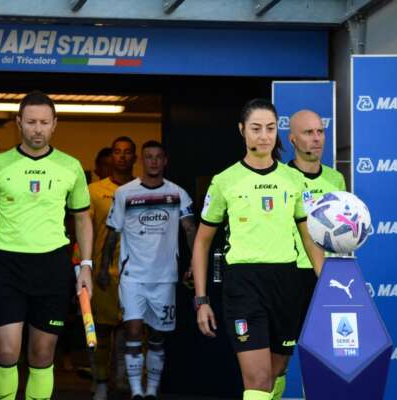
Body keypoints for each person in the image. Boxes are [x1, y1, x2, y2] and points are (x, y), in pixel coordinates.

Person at [0, 90, 93, 400]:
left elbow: (83, 219)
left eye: (44, 122)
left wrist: (86, 266)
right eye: (31, 122)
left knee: (42, 354)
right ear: (18, 122)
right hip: (6, 267)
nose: (38, 129)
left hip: (52, 268)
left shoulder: (71, 166)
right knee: (7, 351)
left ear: (55, 125)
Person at [192, 99, 324, 400]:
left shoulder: (293, 180)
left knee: (276, 374)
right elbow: (202, 241)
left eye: (270, 128)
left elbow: (309, 238)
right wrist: (201, 300)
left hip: (286, 284)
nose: (264, 136)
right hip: (243, 286)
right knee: (258, 380)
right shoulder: (225, 181)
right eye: (256, 129)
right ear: (242, 131)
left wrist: (328, 286)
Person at [100, 140, 197, 400]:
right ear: (142, 161)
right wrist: (102, 269)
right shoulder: (125, 193)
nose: (153, 161)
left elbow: (190, 229)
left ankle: (152, 390)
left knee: (157, 337)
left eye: (158, 157)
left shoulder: (178, 193)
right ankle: (136, 392)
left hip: (165, 278)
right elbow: (112, 234)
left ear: (165, 161)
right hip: (133, 277)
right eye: (148, 157)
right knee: (132, 330)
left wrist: (195, 264)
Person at [274, 109, 346, 399]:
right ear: (292, 138)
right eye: (308, 133)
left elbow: (344, 230)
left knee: (328, 357)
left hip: (326, 276)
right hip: (290, 276)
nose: (316, 139)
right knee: (280, 358)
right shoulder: (281, 177)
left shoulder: (336, 179)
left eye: (320, 132)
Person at [89, 136, 137, 399]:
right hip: (103, 273)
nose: (121, 156)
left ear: (134, 157)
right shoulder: (94, 191)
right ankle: (101, 382)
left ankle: (126, 380)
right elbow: (83, 231)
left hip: (136, 273)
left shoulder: (144, 188)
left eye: (127, 152)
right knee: (102, 331)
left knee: (134, 331)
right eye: (117, 152)